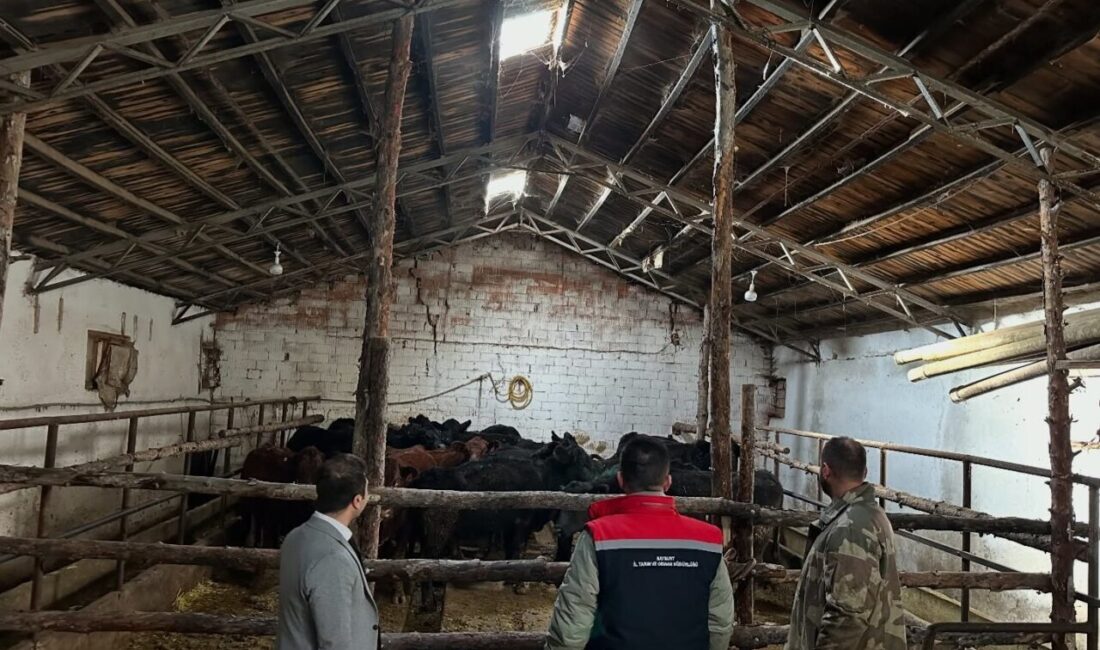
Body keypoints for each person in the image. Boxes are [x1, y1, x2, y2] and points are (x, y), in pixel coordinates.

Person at [546, 437, 734, 650]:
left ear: (620, 480)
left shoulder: (599, 536)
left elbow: (573, 622)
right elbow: (720, 622)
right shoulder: (707, 540)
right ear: (667, 482)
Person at [786, 437, 906, 650]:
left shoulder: (852, 527)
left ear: (825, 470)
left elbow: (848, 615)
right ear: (865, 472)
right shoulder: (866, 515)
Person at [276, 453, 379, 650]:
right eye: (367, 491)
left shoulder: (295, 537)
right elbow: (334, 642)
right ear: (357, 501)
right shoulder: (333, 559)